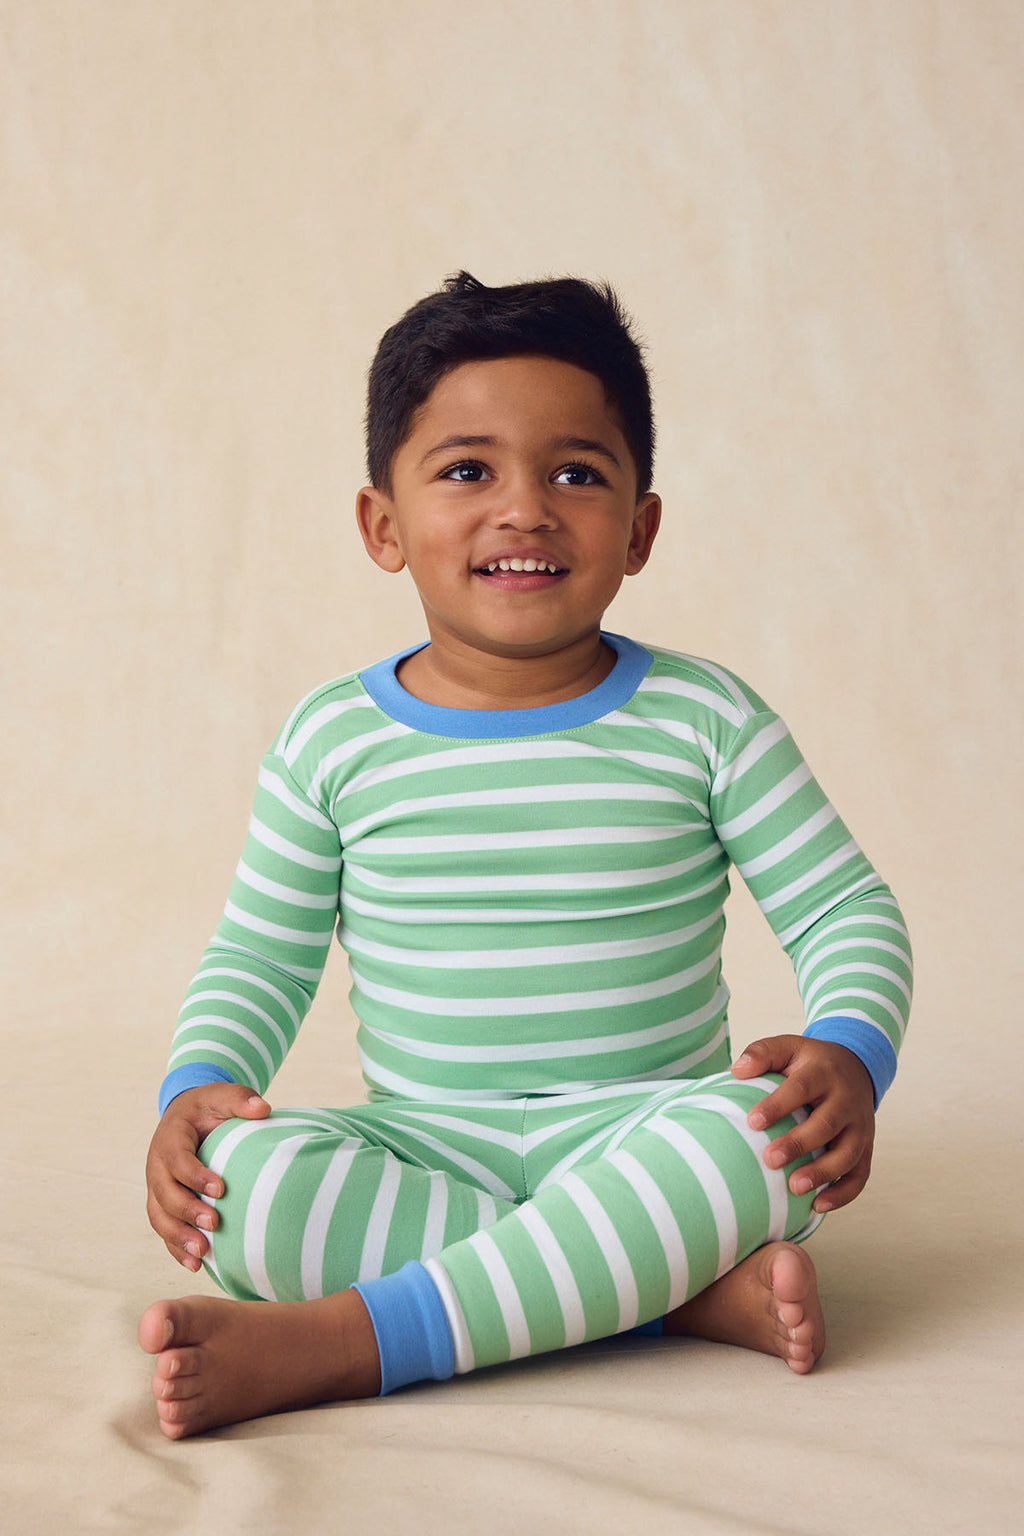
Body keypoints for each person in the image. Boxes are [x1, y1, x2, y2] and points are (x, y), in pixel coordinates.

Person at [139, 272, 912, 1439]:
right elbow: (262, 950)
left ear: (640, 527)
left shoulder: (705, 719)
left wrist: (849, 1055)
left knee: (757, 1143)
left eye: (576, 472)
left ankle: (353, 1342)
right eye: (466, 470)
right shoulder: (331, 740)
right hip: (423, 1143)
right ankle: (668, 1295)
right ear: (381, 526)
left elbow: (845, 909)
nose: (525, 509)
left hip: (649, 1126)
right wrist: (193, 1089)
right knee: (245, 1187)